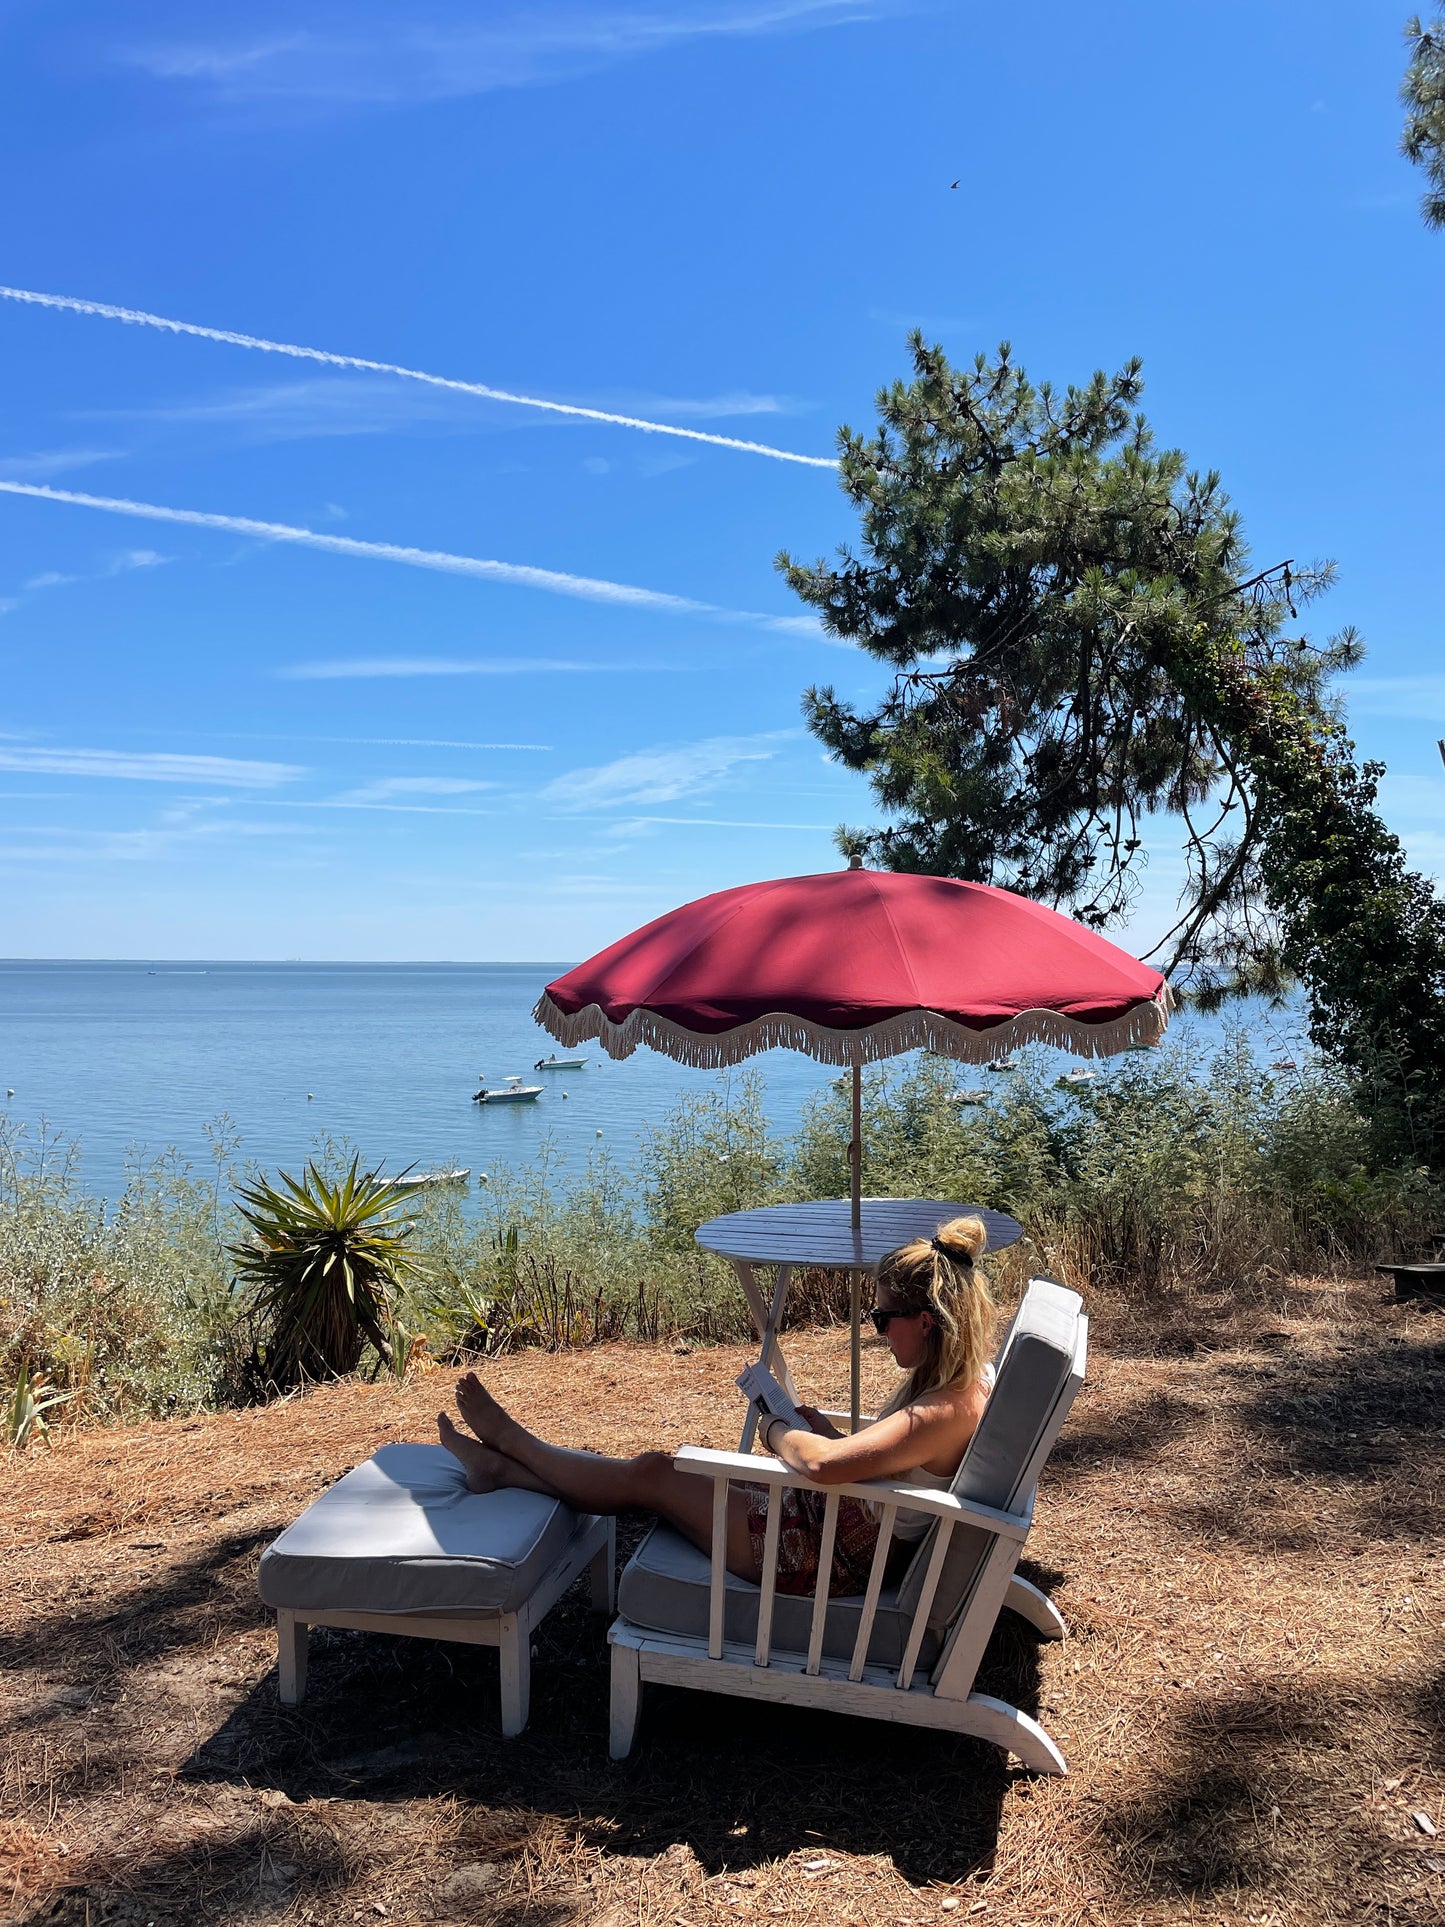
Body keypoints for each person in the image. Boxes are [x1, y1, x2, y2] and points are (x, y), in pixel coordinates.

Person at [436, 1214, 995, 1596]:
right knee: (655, 1476)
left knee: (652, 1474)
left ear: (925, 1321)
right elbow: (891, 1462)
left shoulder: (943, 1411)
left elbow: (824, 1466)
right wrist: (833, 1434)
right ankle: (500, 1469)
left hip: (818, 1555)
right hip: (832, 1525)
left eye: (881, 1319)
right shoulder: (965, 1386)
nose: (876, 1331)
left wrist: (780, 1431)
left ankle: (510, 1442)